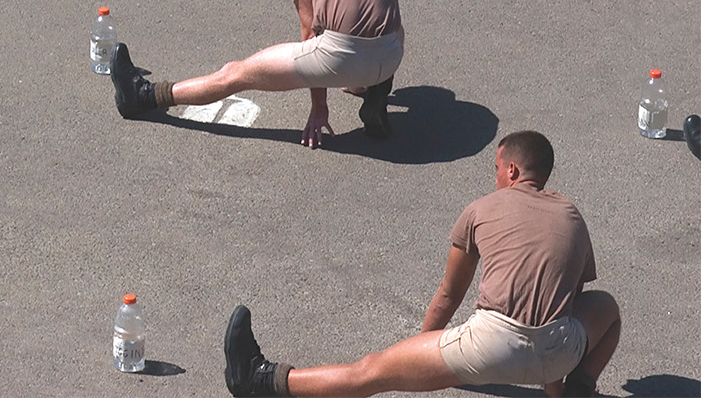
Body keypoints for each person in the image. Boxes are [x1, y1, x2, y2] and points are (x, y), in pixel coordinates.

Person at [223, 130, 621, 398]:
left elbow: (448, 296)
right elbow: (565, 303)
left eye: (496, 169)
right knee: (608, 310)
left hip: (490, 346)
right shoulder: (571, 214)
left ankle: (260, 379)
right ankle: (577, 392)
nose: (495, 177)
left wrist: (417, 352)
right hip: (561, 349)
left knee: (372, 371)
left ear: (512, 170)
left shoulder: (481, 209)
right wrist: (553, 381)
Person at [109, 0, 401, 146]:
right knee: (389, 25)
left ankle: (143, 96)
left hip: (339, 56)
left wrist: (319, 106)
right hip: (390, 57)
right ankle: (375, 95)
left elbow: (309, 33)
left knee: (234, 73)